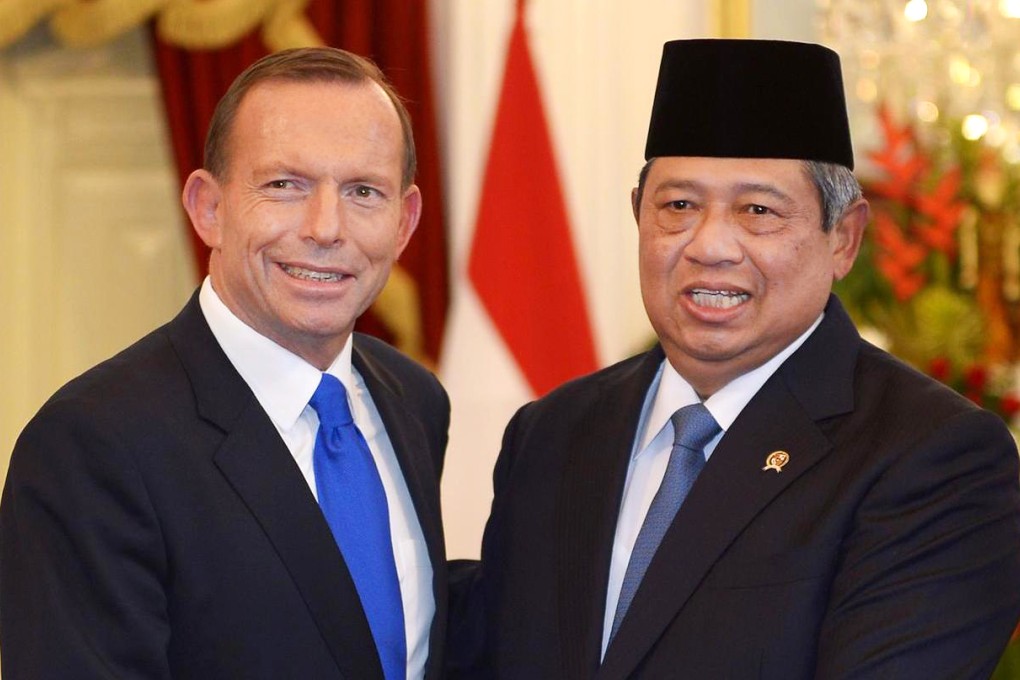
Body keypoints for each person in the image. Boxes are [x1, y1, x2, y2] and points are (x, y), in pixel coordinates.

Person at [466, 39, 1020, 678]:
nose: (710, 246)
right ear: (637, 217)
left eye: (757, 211)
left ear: (844, 239)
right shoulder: (553, 433)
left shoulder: (931, 456)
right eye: (678, 206)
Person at [1, 47, 449, 680]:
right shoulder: (90, 446)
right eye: (285, 185)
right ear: (207, 208)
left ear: (404, 223)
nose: (326, 227)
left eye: (363, 191)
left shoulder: (414, 400)